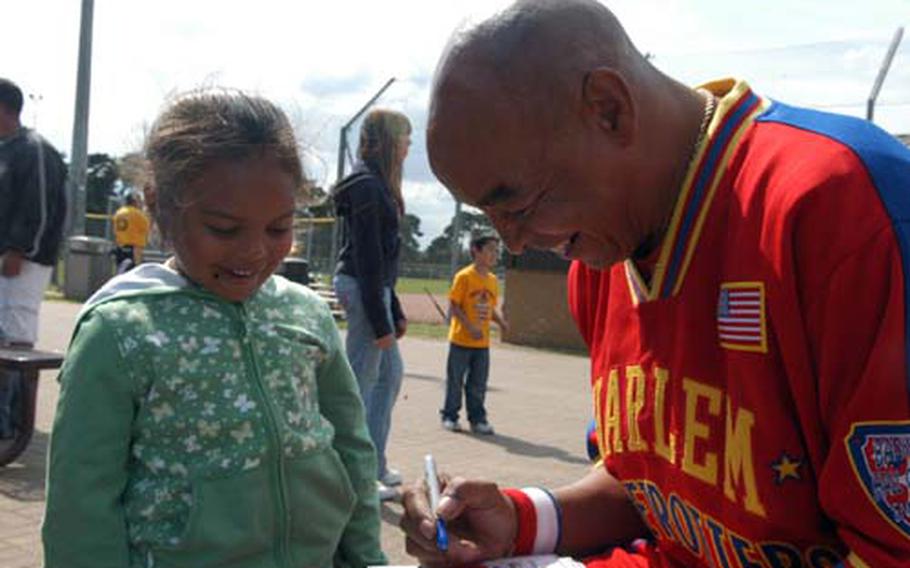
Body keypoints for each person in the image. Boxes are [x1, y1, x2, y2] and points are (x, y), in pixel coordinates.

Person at [399, 1, 910, 567]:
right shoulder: (599, 266)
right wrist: (520, 521)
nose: (513, 242)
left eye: (516, 203)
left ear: (610, 110)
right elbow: (648, 487)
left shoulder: (841, 208)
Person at [42, 89, 386, 568]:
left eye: (278, 228)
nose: (254, 252)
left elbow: (351, 445)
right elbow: (81, 504)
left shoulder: (306, 315)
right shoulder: (120, 331)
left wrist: (367, 556)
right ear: (159, 205)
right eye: (224, 229)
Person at [333, 109, 411, 501]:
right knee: (360, 385)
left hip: (375, 289)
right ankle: (354, 477)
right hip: (361, 287)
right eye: (405, 138)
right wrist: (380, 321)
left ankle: (373, 464)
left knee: (389, 376)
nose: (409, 146)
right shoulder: (365, 186)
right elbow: (366, 257)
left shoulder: (379, 184)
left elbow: (383, 258)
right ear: (387, 140)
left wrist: (392, 308)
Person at [0, 78, 67, 438]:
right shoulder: (6, 149)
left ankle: (13, 421)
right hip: (4, 256)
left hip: (24, 259)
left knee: (16, 334)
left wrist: (18, 250)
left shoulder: (33, 149)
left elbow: (38, 206)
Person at [441, 233, 508, 435]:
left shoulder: (493, 281)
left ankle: (478, 419)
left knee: (478, 384)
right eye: (489, 249)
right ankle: (450, 416)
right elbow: (455, 305)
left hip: (482, 345)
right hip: (461, 340)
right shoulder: (464, 276)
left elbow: (490, 308)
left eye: (496, 250)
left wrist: (501, 322)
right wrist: (469, 327)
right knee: (455, 381)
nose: (494, 254)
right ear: (475, 251)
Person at [111, 191, 150, 273]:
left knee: (120, 272)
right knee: (134, 273)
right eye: (140, 201)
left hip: (120, 247)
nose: (141, 203)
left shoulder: (119, 212)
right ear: (134, 201)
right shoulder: (137, 213)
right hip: (134, 248)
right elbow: (147, 228)